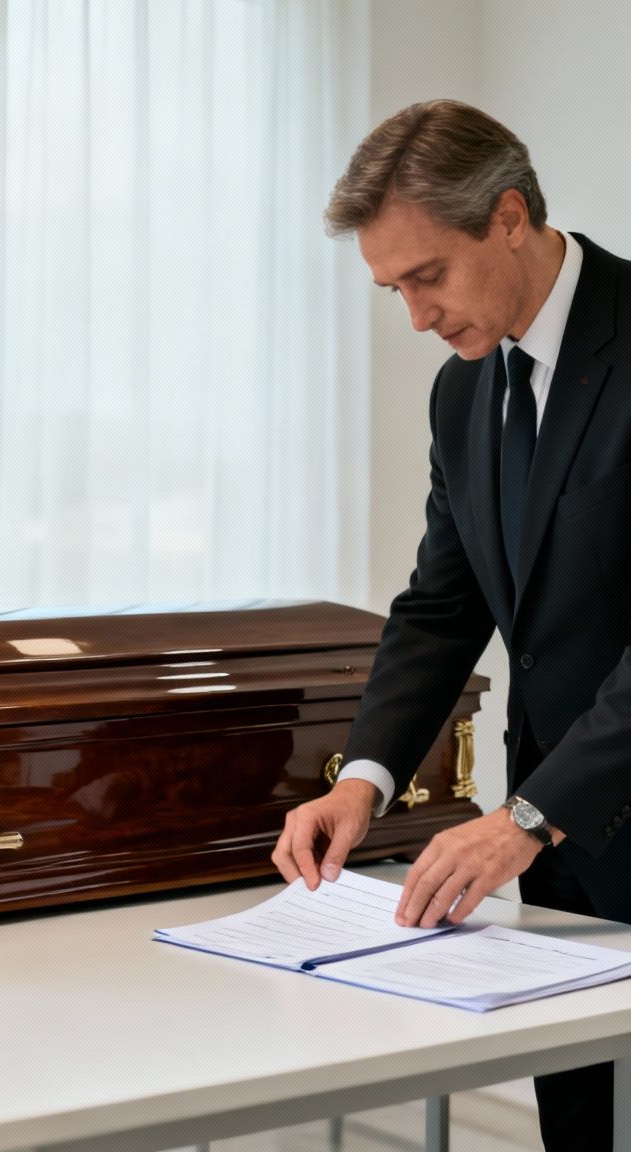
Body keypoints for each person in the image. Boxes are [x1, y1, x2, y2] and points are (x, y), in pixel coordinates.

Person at [275, 100, 631, 1151]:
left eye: (426, 276)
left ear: (508, 217)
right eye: (393, 290)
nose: (416, 318)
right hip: (566, 864)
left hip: (552, 818)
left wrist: (525, 815)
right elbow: (442, 603)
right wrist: (362, 776)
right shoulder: (460, 397)